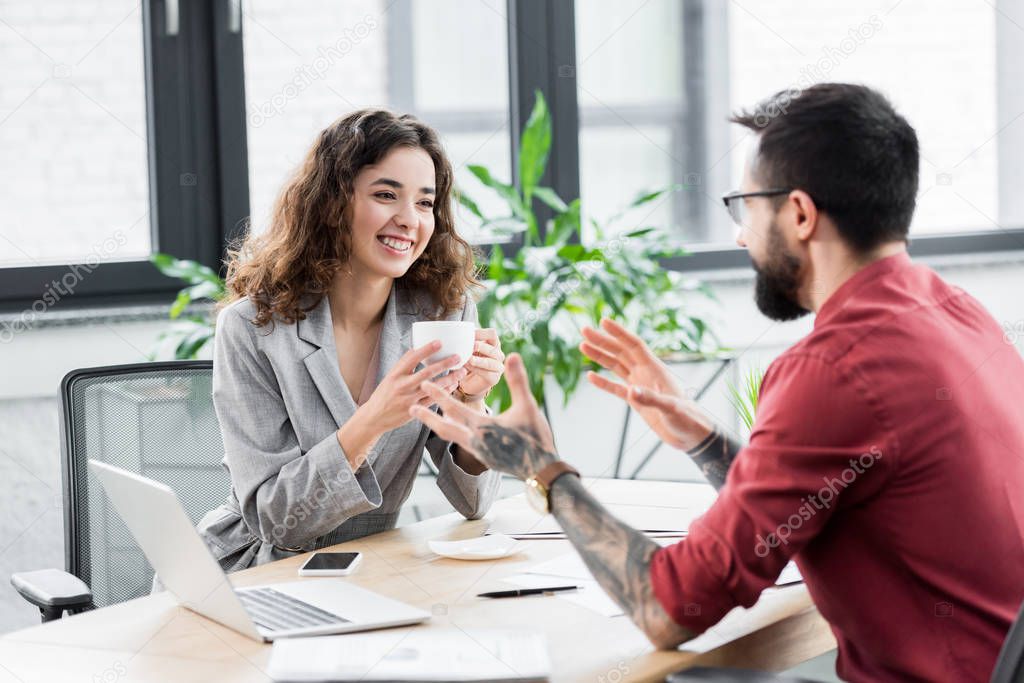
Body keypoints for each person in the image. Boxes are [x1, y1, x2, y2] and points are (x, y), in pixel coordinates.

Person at [413, 83, 1024, 682]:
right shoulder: (964, 315)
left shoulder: (832, 368)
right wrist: (704, 439)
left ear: (800, 214)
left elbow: (668, 608)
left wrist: (542, 469)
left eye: (745, 208)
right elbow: (829, 502)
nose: (739, 235)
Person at [195, 109, 503, 571]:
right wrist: (373, 420)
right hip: (255, 569)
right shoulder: (252, 328)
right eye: (385, 195)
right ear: (332, 203)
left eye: (424, 203)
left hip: (370, 567)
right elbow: (276, 522)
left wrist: (472, 405)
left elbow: (475, 501)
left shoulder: (443, 315)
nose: (409, 220)